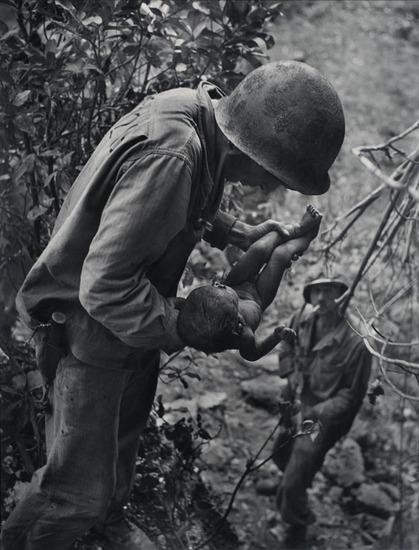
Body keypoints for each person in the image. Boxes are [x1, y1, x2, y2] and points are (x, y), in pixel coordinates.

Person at [1, 61, 345, 550]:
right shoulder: (177, 154)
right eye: (279, 179)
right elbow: (104, 289)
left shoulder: (196, 119)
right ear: (257, 153)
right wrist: (191, 325)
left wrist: (237, 231)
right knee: (73, 495)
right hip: (90, 335)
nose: (272, 190)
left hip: (128, 333)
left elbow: (172, 202)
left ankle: (106, 524)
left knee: (118, 461)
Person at [264, 274, 372, 548]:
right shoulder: (302, 318)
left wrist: (315, 414)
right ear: (309, 296)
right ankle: (290, 488)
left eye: (329, 291)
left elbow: (352, 396)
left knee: (300, 463)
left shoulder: (357, 341)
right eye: (316, 292)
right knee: (280, 453)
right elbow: (286, 342)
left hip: (324, 418)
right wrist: (288, 375)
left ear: (342, 295)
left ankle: (297, 522)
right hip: (297, 399)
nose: (322, 298)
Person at [177, 205, 322, 360]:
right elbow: (252, 355)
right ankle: (307, 238)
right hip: (258, 297)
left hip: (236, 282)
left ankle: (297, 229)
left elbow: (179, 304)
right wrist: (275, 336)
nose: (219, 284)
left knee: (259, 248)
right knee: (281, 255)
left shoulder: (201, 312)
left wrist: (176, 303)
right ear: (237, 325)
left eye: (219, 286)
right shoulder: (244, 335)